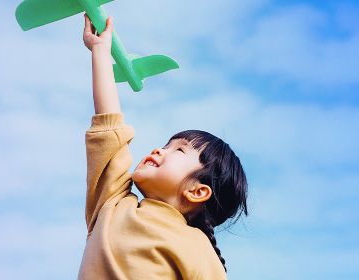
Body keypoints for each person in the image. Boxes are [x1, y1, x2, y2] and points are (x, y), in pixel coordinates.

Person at [78, 14, 249, 280]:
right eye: (165, 145)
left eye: (178, 150)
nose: (159, 150)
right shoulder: (111, 203)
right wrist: (100, 50)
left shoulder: (197, 248)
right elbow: (109, 129)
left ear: (197, 191)